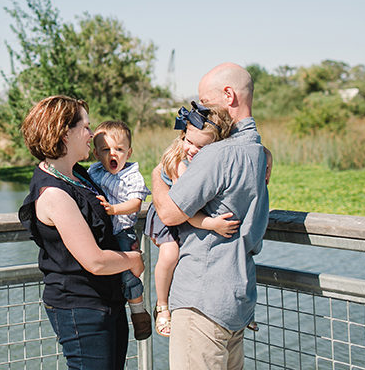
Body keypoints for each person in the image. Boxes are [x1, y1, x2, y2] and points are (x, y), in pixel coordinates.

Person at [152, 63, 270, 370]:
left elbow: (169, 212)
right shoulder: (257, 151)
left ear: (228, 95)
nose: (201, 112)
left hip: (201, 300)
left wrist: (155, 175)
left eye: (204, 103)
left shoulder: (218, 154)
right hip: (236, 299)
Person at [18, 96, 144, 370]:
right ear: (65, 132)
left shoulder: (78, 174)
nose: (91, 134)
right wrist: (133, 260)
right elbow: (95, 261)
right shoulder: (53, 193)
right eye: (85, 127)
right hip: (80, 308)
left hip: (106, 301)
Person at [146, 102, 252, 337]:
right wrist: (211, 224)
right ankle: (162, 305)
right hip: (172, 216)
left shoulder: (211, 160)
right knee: (170, 254)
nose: (191, 149)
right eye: (189, 141)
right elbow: (185, 211)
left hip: (187, 216)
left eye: (201, 147)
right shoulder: (179, 163)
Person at [86, 120, 154, 340]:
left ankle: (138, 312)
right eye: (105, 150)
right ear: (96, 153)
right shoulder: (94, 171)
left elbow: (135, 204)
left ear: (129, 152)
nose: (112, 154)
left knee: (128, 274)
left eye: (119, 149)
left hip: (123, 230)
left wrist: (114, 209)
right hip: (103, 233)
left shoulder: (132, 175)